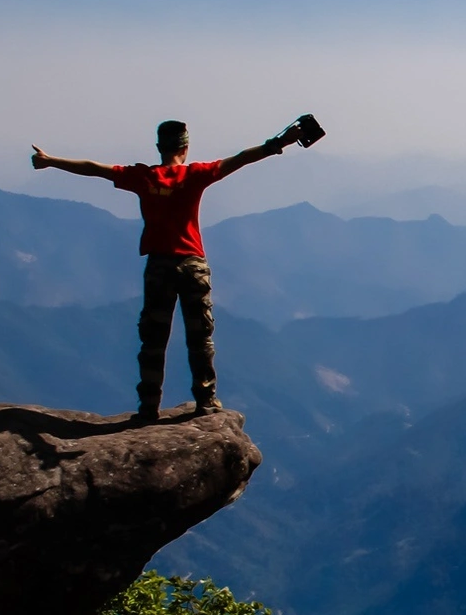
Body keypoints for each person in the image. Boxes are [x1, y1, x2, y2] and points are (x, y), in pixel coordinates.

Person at [30, 119, 306, 421]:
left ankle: (149, 407)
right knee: (200, 337)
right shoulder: (196, 174)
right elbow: (240, 159)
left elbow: (94, 167)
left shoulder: (143, 177)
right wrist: (280, 142)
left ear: (160, 147)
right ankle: (206, 401)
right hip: (192, 265)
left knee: (153, 338)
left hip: (159, 265)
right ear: (185, 148)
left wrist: (50, 161)